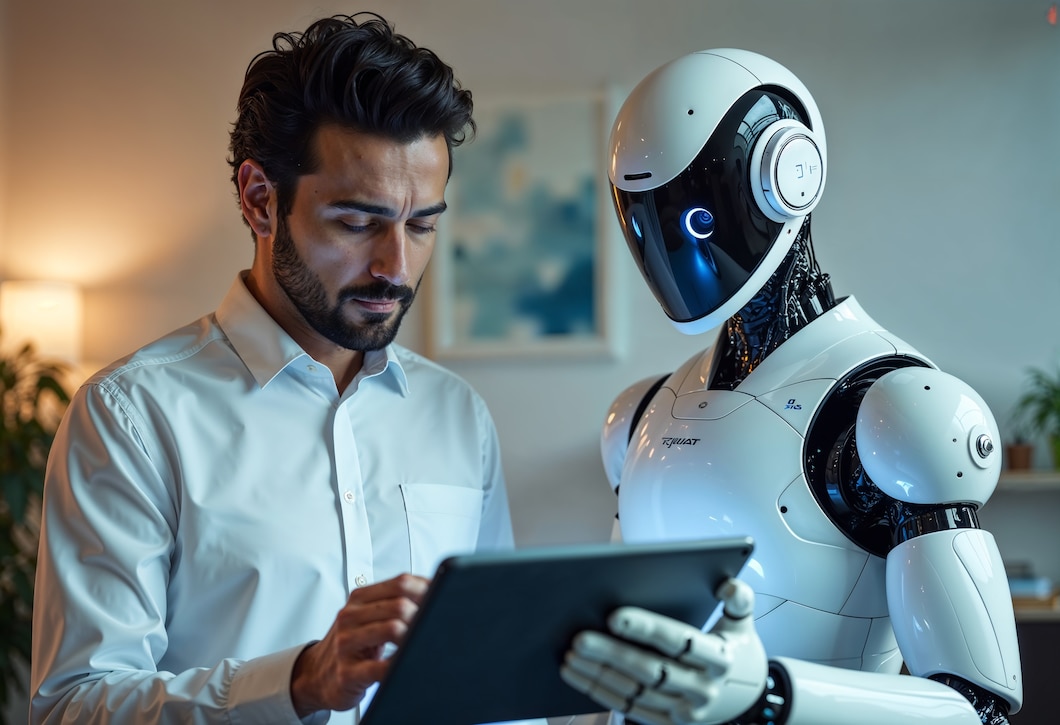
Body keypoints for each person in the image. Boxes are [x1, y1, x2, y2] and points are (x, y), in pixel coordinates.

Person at [31, 13, 543, 725]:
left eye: (422, 224)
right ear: (260, 200)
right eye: (357, 222)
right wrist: (298, 683)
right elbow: (75, 706)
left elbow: (493, 677)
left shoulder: (458, 414)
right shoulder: (132, 418)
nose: (396, 266)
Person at [560, 49, 1023, 724]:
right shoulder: (640, 417)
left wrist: (768, 695)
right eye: (649, 222)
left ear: (788, 176)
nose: (680, 251)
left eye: (694, 216)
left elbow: (977, 703)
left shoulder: (896, 411)